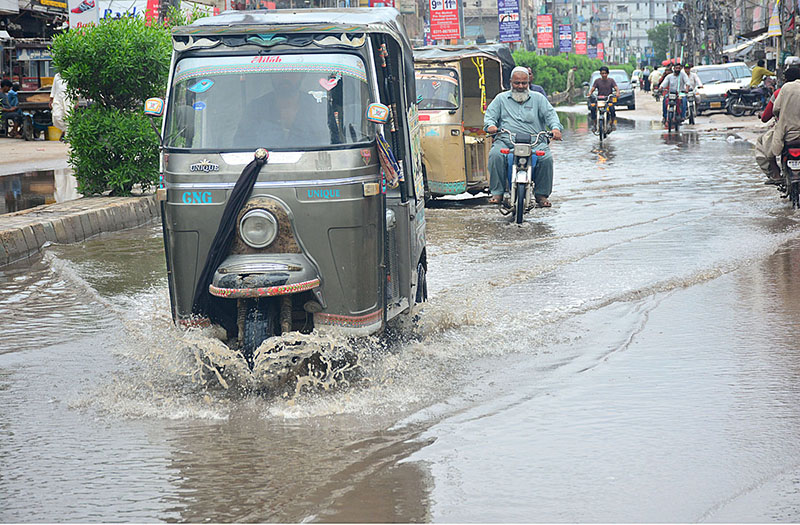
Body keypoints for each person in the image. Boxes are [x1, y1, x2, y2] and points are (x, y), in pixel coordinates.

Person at [484, 66, 563, 207]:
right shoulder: (501, 99)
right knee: (495, 155)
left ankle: (541, 195)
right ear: (510, 82)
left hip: (535, 141)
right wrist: (491, 126)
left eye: (524, 83)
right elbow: (490, 116)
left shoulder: (539, 99)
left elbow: (551, 116)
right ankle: (497, 193)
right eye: (517, 83)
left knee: (546, 158)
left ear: (528, 83)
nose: (520, 86)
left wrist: (555, 128)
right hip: (506, 141)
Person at [763, 64, 800, 182]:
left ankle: (776, 174)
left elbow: (774, 110)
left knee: (766, 145)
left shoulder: (782, 90)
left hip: (787, 132)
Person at [587, 65, 620, 130]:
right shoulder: (597, 81)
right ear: (600, 73)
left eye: (605, 73)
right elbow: (592, 89)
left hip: (608, 100)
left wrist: (617, 93)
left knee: (612, 109)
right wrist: (590, 93)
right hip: (599, 100)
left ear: (607, 73)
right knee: (593, 108)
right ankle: (595, 124)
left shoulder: (611, 81)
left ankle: (612, 123)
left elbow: (616, 88)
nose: (604, 75)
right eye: (602, 73)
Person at [49, 72, 72, 140]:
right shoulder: (57, 76)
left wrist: (76, 99)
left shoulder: (71, 75)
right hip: (58, 98)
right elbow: (53, 88)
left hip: (68, 98)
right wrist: (51, 99)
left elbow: (75, 88)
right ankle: (64, 130)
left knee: (68, 116)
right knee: (56, 116)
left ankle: (67, 136)